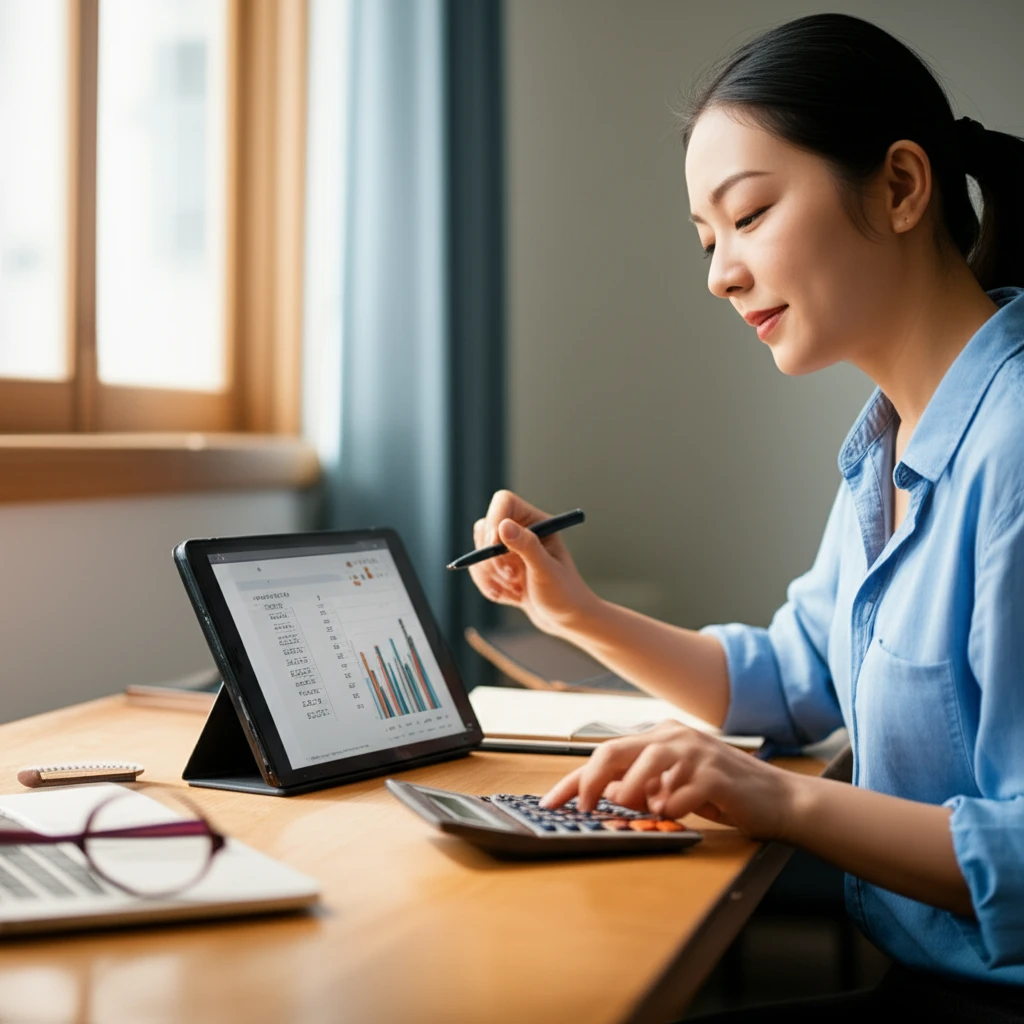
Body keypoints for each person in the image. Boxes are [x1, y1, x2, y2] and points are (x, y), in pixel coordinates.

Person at [468, 12, 1024, 1020]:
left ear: (902, 187)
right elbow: (787, 676)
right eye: (707, 238)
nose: (719, 273)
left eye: (750, 214)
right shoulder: (888, 445)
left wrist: (779, 797)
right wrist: (574, 612)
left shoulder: (1014, 447)